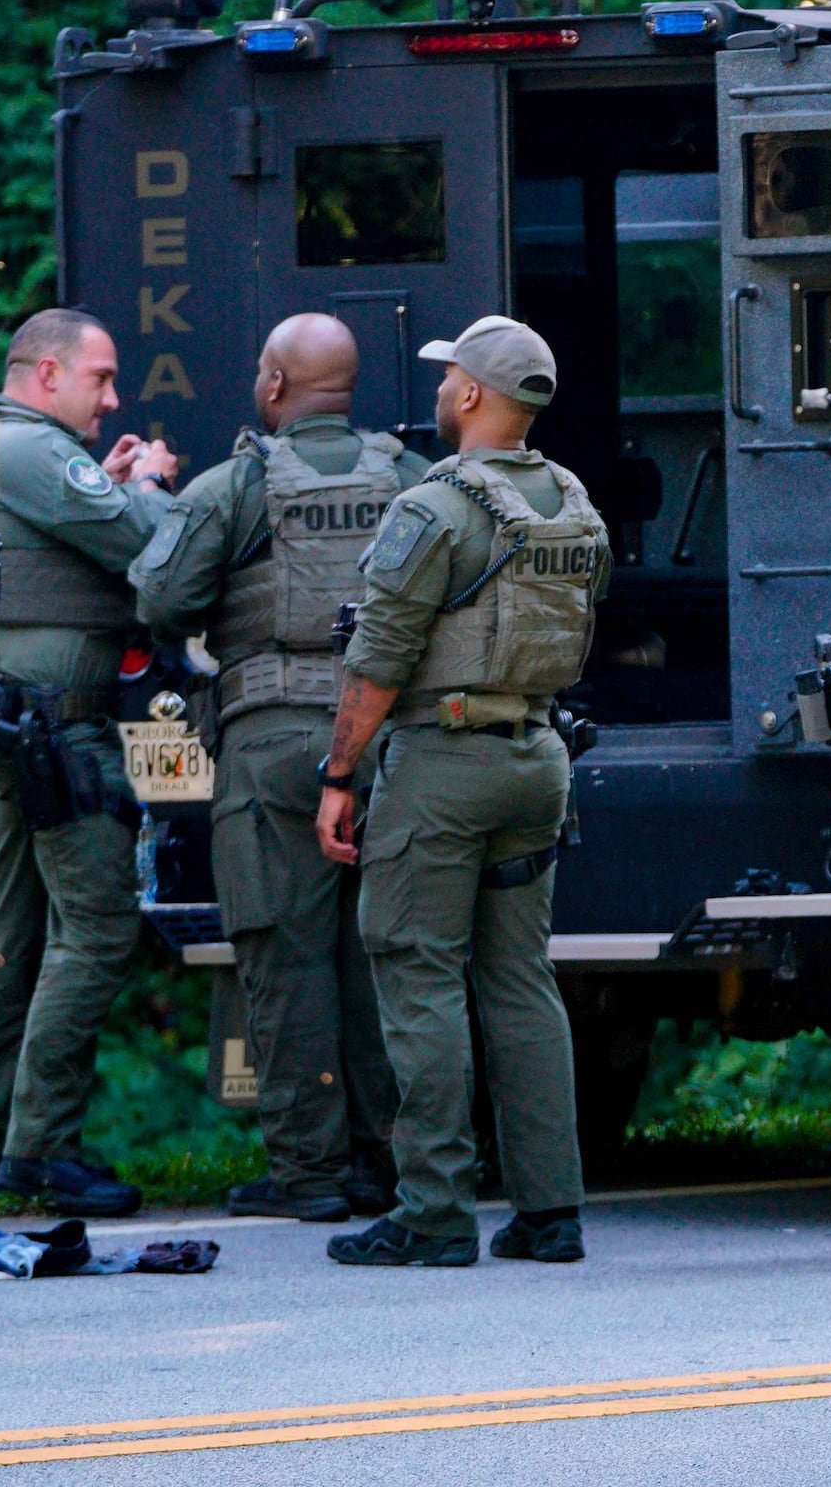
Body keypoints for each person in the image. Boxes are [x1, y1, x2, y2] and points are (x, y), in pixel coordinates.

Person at [314, 316, 603, 1269]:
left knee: (418, 972)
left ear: (474, 395)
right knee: (520, 981)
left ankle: (433, 1213)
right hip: (537, 756)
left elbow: (381, 657)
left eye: (449, 379)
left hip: (444, 765)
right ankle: (549, 1210)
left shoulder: (434, 508)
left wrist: (341, 772)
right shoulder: (572, 502)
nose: (440, 392)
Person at [130, 313, 404, 1222]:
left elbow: (161, 598)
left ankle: (310, 1174)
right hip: (384, 747)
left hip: (272, 743)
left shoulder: (235, 486)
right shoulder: (407, 478)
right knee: (379, 958)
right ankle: (385, 1160)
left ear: (277, 386)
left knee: (284, 959)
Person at [0, 309, 178, 1217]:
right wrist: (150, 485)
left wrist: (107, 485)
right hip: (56, 732)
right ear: (45, 375)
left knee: (13, 932)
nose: (112, 398)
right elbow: (143, 544)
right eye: (100, 379)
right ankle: (38, 1154)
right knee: (100, 929)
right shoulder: (30, 449)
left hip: (18, 726)